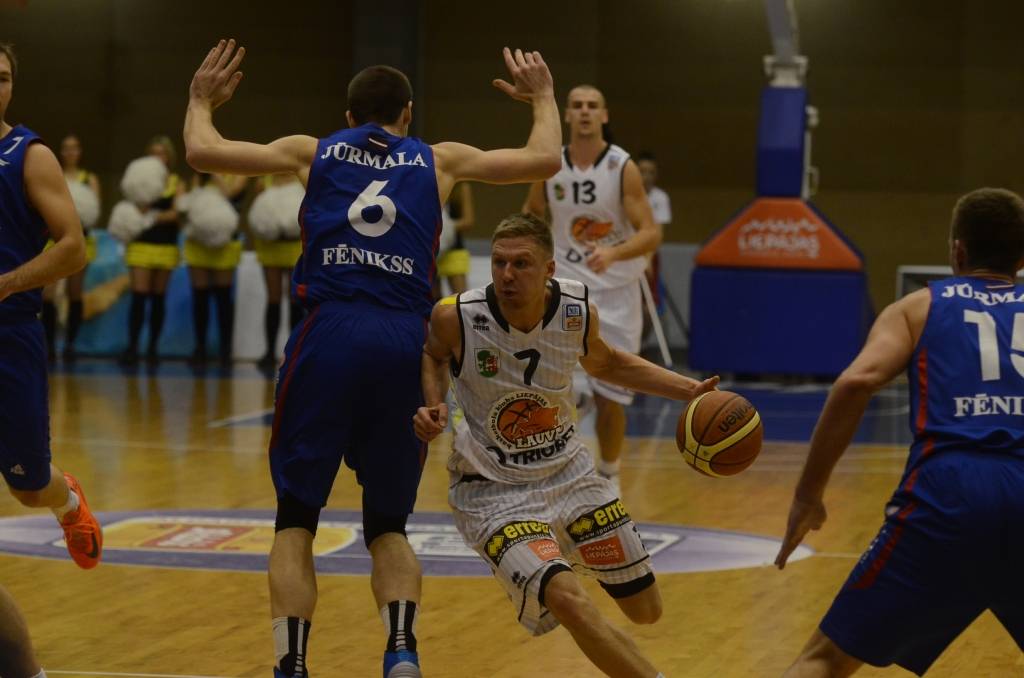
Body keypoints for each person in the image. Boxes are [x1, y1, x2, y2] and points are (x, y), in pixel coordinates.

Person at [183, 39, 561, 678]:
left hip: (327, 334)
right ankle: (401, 652)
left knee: (295, 518)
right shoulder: (439, 159)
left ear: (348, 116)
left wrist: (200, 100)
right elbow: (544, 159)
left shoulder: (312, 151)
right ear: (407, 114)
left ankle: (292, 664)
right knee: (388, 525)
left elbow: (202, 151)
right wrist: (543, 96)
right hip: (402, 342)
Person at [414, 213, 717, 677]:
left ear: (549, 269)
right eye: (498, 263)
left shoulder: (576, 309)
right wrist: (433, 404)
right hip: (493, 492)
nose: (507, 274)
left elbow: (607, 364)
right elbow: (433, 354)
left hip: (570, 475)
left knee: (646, 610)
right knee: (568, 600)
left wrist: (689, 390)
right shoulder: (456, 316)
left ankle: (562, 555)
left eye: (521, 264)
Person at [775, 187, 1024, 677]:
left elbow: (855, 382)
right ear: (1021, 257)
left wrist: (808, 495)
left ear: (957, 251)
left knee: (824, 660)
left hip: (947, 496)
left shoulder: (919, 307)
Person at [0, 41, 104, 678]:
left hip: (10, 335)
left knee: (27, 486)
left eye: (4, 77)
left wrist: (7, 283)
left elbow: (73, 248)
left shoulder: (27, 155)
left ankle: (66, 501)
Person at [523, 84, 662, 495]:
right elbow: (532, 212)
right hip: (567, 285)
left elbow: (651, 233)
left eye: (592, 106)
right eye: (577, 105)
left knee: (611, 399)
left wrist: (615, 252)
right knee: (556, 383)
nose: (584, 111)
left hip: (616, 291)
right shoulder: (551, 163)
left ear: (604, 115)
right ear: (567, 114)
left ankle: (609, 473)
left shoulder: (622, 166)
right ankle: (553, 462)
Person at [121, 135, 184, 366]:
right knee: (139, 297)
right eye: (154, 152)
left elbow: (177, 213)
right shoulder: (138, 178)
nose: (158, 157)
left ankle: (153, 350)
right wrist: (150, 213)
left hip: (165, 245)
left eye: (162, 153)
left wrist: (151, 216)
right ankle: (132, 347)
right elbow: (131, 205)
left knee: (158, 298)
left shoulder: (176, 182)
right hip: (141, 244)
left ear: (169, 157)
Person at [41, 134, 101, 363]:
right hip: (53, 239)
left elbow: (94, 211)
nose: (70, 152)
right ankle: (49, 346)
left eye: (74, 148)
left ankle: (70, 345)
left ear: (80, 152)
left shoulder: (90, 178)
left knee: (74, 292)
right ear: (61, 151)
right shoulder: (54, 174)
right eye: (66, 148)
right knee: (48, 294)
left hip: (80, 239)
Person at [184, 172, 244, 368]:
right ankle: (200, 348)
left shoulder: (239, 174)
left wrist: (215, 173)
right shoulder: (198, 175)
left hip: (225, 243)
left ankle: (225, 351)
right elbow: (190, 201)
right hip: (197, 241)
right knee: (200, 296)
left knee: (223, 297)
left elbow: (231, 194)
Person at [250, 173, 305, 372]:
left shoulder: (301, 179)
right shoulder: (263, 182)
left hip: (295, 247)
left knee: (294, 300)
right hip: (270, 246)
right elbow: (257, 213)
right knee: (273, 299)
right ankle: (269, 352)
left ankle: (294, 351)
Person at [434, 181, 474, 298]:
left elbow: (468, 221)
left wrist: (446, 227)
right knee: (432, 300)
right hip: (431, 250)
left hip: (454, 249)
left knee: (460, 298)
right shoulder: (428, 182)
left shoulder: (461, 186)